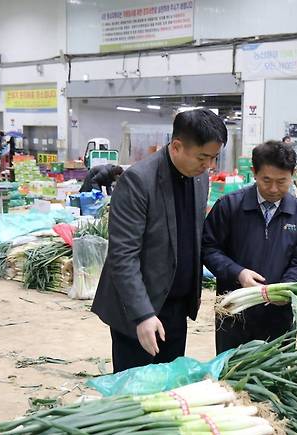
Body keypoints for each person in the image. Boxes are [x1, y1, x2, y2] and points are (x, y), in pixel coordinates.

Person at [92, 109, 227, 373]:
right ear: (177, 146)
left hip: (177, 307)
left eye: (213, 158)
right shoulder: (138, 181)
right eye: (203, 157)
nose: (209, 165)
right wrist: (142, 315)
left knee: (169, 388)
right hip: (138, 309)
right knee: (136, 393)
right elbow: (123, 256)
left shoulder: (199, 178)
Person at [203, 140, 297, 354]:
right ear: (254, 173)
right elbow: (209, 249)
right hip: (235, 313)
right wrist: (239, 273)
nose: (273, 189)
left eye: (282, 181)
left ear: (293, 174)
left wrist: (285, 288)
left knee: (276, 380)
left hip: (278, 316)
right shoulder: (230, 207)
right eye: (266, 180)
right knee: (232, 379)